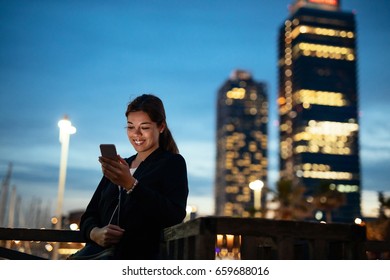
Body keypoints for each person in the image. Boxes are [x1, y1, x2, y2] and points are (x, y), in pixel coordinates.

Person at [78, 94, 189, 259]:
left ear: (161, 127)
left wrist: (131, 185)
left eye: (144, 127)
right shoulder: (121, 166)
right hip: (98, 256)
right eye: (130, 127)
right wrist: (96, 233)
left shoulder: (172, 163)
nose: (136, 134)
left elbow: (174, 214)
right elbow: (89, 215)